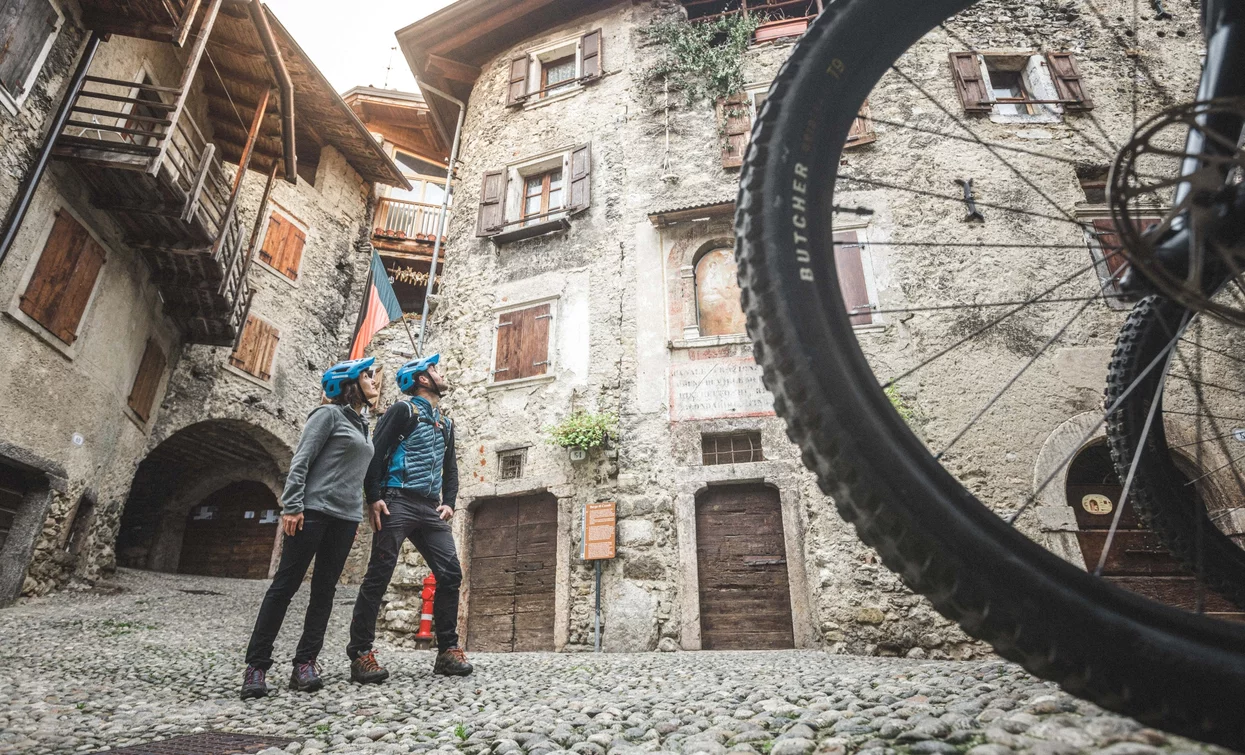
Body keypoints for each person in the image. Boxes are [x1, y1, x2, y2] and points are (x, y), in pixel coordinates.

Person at [240, 357, 378, 700]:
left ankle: (305, 664)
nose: (375, 380)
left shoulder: (362, 425)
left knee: (324, 591)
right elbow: (300, 460)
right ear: (350, 383)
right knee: (284, 586)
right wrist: (292, 505)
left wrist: (355, 515)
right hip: (312, 512)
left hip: (345, 520)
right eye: (368, 375)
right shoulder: (326, 415)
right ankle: (256, 668)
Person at [347, 353, 472, 681]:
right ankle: (361, 653)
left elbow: (451, 467)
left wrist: (451, 501)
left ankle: (447, 650)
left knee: (451, 574)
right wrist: (373, 496)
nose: (440, 373)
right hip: (396, 500)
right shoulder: (403, 409)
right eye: (434, 369)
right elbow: (377, 450)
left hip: (431, 508)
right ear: (422, 379)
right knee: (380, 573)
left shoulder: (445, 422)